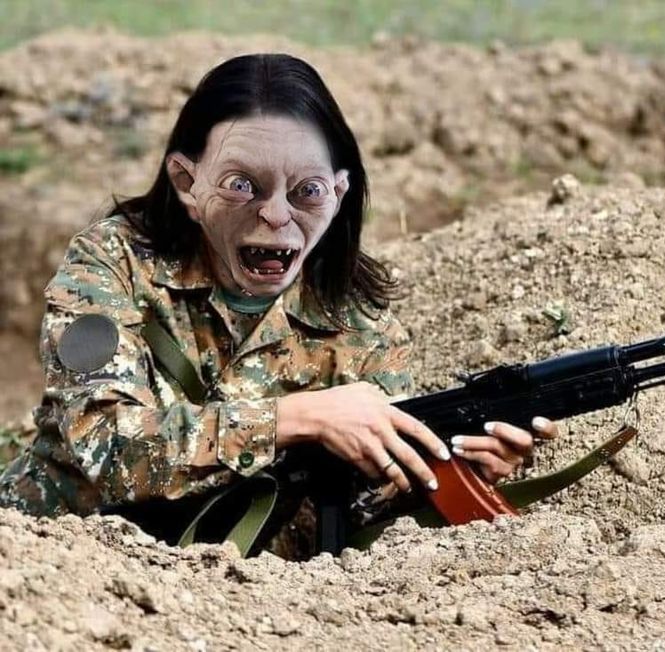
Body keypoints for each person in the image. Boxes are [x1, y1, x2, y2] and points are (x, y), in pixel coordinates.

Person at [0, 53, 557, 558]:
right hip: (54, 561)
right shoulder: (111, 263)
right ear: (187, 183)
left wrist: (453, 470)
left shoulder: (359, 323)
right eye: (242, 185)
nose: (275, 214)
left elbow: (355, 507)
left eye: (307, 190)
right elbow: (108, 448)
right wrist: (301, 418)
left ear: (338, 195)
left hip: (238, 593)